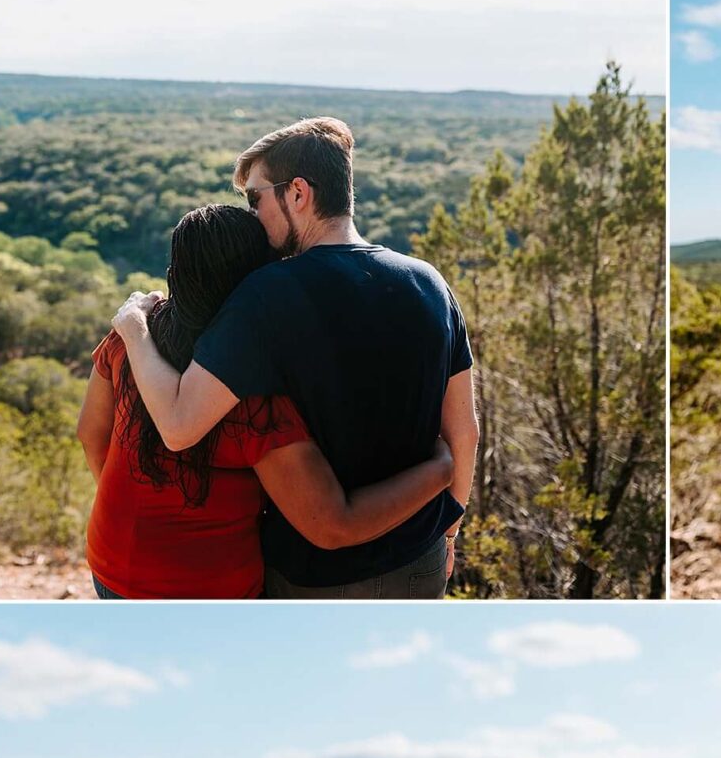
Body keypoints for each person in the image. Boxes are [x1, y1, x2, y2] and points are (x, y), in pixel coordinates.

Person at [110, 119, 479, 601]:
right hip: (420, 557)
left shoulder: (265, 297)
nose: (253, 216)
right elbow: (464, 430)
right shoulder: (429, 282)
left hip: (310, 572)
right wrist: (449, 530)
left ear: (298, 193)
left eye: (256, 199)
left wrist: (135, 330)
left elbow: (179, 426)